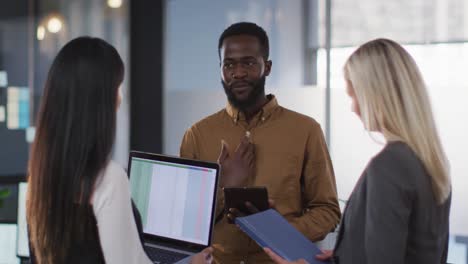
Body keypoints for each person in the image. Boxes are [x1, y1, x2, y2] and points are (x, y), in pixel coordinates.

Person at [264, 38, 452, 264]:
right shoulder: (431, 162)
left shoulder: (389, 166)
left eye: (353, 94)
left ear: (375, 95)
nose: (353, 107)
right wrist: (348, 254)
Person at [27, 37, 212, 264]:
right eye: (118, 87)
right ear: (99, 101)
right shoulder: (108, 178)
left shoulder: (41, 179)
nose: (120, 97)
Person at [180, 22, 341, 264]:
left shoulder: (306, 130)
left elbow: (327, 211)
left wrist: (277, 232)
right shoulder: (197, 135)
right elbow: (185, 223)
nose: (238, 72)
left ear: (267, 67)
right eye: (229, 64)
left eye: (248, 62)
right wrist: (224, 187)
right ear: (220, 69)